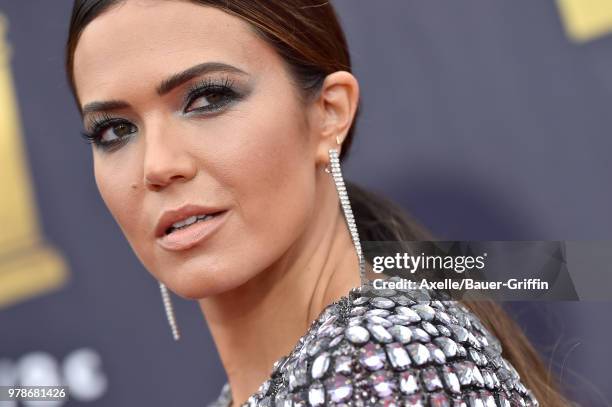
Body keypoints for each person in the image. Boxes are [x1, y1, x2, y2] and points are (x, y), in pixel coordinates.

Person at [65, 1, 571, 405]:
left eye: (207, 99)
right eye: (115, 130)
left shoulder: (382, 369)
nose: (156, 165)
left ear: (329, 113)